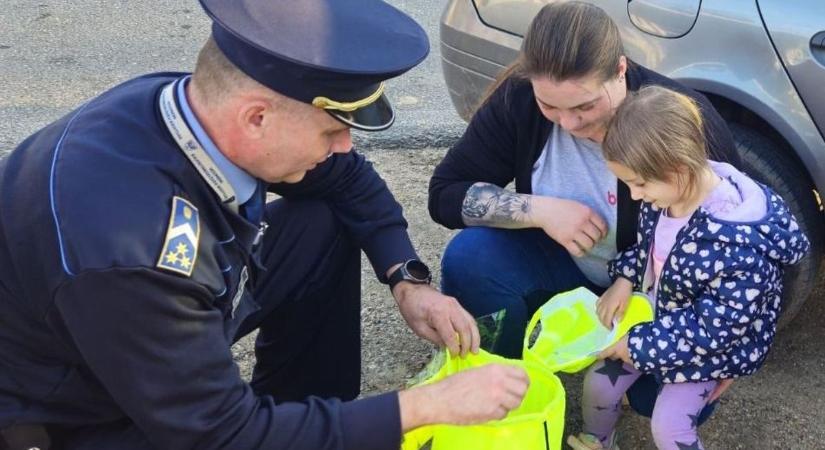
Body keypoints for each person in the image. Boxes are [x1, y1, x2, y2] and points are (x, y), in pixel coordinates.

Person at [0, 1, 530, 449]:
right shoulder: (135, 248)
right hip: (74, 406)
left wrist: (408, 281)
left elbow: (349, 183)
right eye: (331, 130)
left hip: (158, 318)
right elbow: (220, 433)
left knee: (323, 218)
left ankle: (309, 413)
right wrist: (420, 407)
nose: (344, 144)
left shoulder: (193, 109)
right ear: (256, 118)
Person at [428, 1, 741, 421]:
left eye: (585, 107)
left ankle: (617, 368)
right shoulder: (519, 100)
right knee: (470, 258)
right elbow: (445, 192)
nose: (568, 124)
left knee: (663, 402)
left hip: (652, 298)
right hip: (562, 269)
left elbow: (742, 242)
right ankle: (505, 377)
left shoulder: (681, 118)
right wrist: (539, 210)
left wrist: (733, 345)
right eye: (550, 107)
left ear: (621, 70)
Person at [566, 85, 810, 450]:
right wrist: (624, 278)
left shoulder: (738, 245)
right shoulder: (666, 196)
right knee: (599, 382)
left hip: (709, 347)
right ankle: (598, 439)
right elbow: (651, 248)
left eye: (638, 183)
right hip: (661, 317)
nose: (634, 195)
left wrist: (637, 343)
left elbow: (715, 330)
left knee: (669, 427)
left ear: (678, 168)